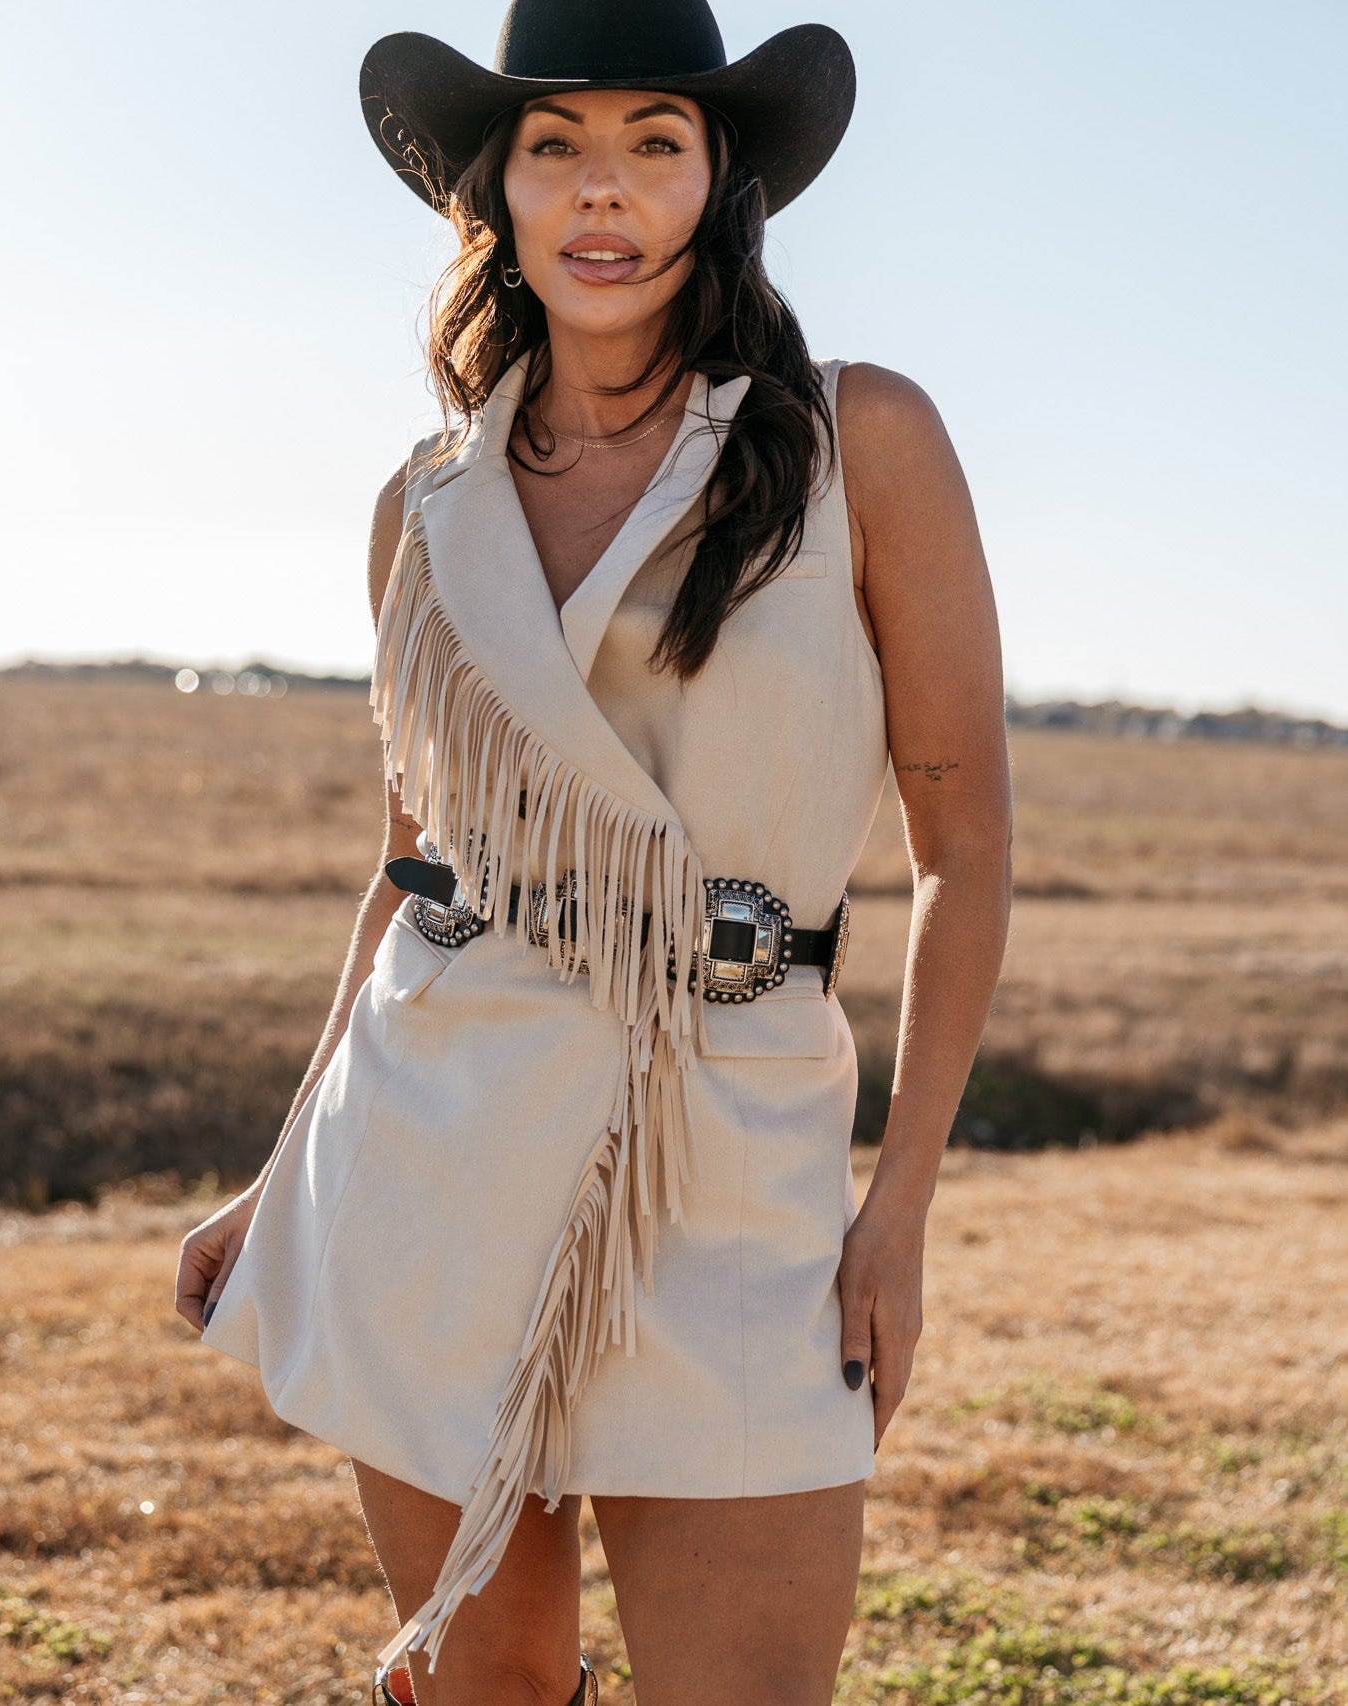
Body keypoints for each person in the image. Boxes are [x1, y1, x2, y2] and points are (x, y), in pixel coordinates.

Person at [174, 2, 1014, 1702]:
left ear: (719, 180)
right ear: (496, 192)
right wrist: (283, 1163)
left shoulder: (865, 443)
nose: (602, 189)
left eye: (653, 139)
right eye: (555, 144)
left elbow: (964, 835)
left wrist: (899, 1208)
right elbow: (411, 861)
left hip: (731, 1153)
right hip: (429, 1145)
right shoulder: (423, 504)